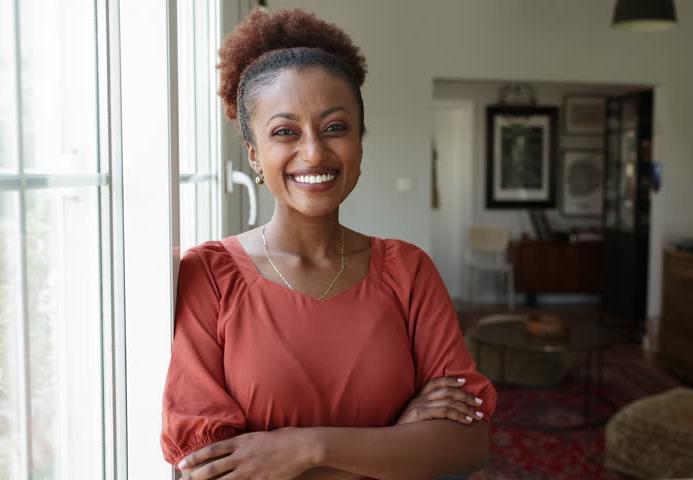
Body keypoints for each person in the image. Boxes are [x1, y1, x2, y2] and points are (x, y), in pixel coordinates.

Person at [160, 8, 497, 480]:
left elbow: (467, 443)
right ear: (255, 153)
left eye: (335, 127)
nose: (315, 152)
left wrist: (305, 448)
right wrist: (399, 441)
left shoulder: (408, 270)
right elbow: (211, 472)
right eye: (284, 132)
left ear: (360, 141)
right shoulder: (209, 277)